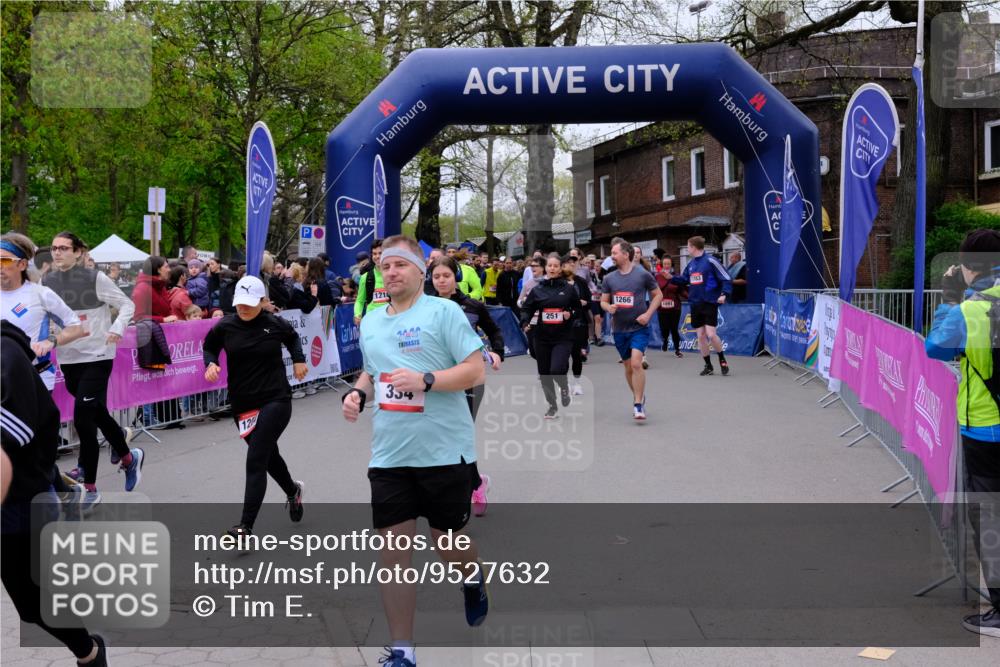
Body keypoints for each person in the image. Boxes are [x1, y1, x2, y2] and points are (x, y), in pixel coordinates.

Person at [341, 235, 489, 667]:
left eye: (400, 265)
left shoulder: (443, 311)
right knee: (393, 555)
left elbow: (476, 370)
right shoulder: (370, 319)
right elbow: (372, 370)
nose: (390, 272)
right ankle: (402, 651)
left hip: (444, 451)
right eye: (385, 266)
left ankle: (471, 577)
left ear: (420, 272)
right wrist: (356, 394)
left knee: (447, 542)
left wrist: (427, 380)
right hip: (389, 455)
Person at [1, 320, 109, 667]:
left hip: (22, 498)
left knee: (35, 605)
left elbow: (9, 439)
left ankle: (89, 652)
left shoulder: (6, 354)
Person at [924, 228, 1000, 638]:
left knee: (989, 516)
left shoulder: (970, 310)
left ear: (969, 267)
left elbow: (935, 347)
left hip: (987, 428)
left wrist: (952, 295)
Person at [42, 231, 142, 508]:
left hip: (98, 354)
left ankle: (90, 485)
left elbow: (127, 304)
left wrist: (116, 328)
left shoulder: (94, 277)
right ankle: (127, 455)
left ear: (78, 252)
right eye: (54, 248)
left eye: (64, 248)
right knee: (96, 412)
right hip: (69, 357)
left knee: (83, 418)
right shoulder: (47, 283)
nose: (58, 252)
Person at [203, 276, 308, 538]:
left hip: (275, 399)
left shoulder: (274, 323)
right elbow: (210, 346)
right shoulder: (225, 325)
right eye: (240, 303)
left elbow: (293, 338)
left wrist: (298, 359)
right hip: (242, 404)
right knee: (268, 457)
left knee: (256, 459)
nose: (243, 308)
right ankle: (293, 490)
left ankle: (245, 526)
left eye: (250, 303)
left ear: (262, 301)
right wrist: (210, 363)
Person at [430, 255, 504, 517]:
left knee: (458, 435)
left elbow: (494, 331)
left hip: (471, 378)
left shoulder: (472, 306)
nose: (441, 280)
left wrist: (497, 352)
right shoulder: (424, 307)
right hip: (439, 379)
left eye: (446, 276)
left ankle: (460, 493)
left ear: (456, 277)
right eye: (436, 276)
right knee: (444, 436)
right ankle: (475, 483)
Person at [1, 233, 86, 389]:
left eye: (5, 260)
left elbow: (76, 327)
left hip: (34, 380)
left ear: (22, 265)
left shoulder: (41, 294)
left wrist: (50, 342)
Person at [601, 238, 662, 420]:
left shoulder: (642, 275)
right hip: (619, 329)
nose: (611, 257)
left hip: (639, 327)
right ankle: (639, 396)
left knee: (636, 363)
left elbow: (658, 295)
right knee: (628, 367)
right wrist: (608, 307)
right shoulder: (609, 278)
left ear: (626, 255)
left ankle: (637, 404)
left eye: (614, 253)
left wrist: (648, 314)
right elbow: (603, 301)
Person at [520, 253, 584, 419]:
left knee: (556, 369)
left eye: (556, 266)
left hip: (563, 336)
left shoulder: (568, 289)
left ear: (560, 268)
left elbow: (578, 310)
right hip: (542, 336)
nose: (552, 268)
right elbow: (527, 308)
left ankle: (564, 387)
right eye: (550, 266)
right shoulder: (538, 290)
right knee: (544, 373)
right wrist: (525, 322)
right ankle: (552, 406)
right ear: (545, 268)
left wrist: (570, 313)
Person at [672, 236, 732, 376]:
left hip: (709, 302)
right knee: (700, 336)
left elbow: (726, 277)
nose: (687, 249)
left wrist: (724, 294)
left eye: (688, 246)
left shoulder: (710, 261)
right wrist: (670, 277)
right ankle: (708, 365)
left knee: (711, 334)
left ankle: (722, 359)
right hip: (695, 303)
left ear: (693, 247)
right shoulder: (691, 264)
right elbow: (683, 279)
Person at [562, 253, 591, 396]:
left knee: (576, 355)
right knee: (564, 355)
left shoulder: (581, 281)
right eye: (568, 263)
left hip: (579, 323)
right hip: (562, 324)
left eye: (574, 263)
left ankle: (577, 383)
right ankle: (565, 383)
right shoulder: (559, 282)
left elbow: (589, 300)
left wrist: (583, 303)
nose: (572, 265)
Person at [132, 256, 178, 324]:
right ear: (158, 270)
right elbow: (138, 318)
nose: (169, 270)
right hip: (151, 333)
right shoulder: (142, 288)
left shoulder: (160, 285)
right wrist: (162, 319)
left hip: (164, 330)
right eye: (166, 267)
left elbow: (167, 311)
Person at [655, 256, 686, 357]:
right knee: (664, 329)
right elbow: (654, 291)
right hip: (661, 307)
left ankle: (677, 350)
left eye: (668, 264)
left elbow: (682, 291)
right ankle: (665, 340)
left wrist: (692, 297)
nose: (667, 266)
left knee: (674, 329)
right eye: (665, 264)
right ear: (662, 265)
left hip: (675, 307)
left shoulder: (676, 277)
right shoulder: (657, 277)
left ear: (671, 265)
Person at [517, 257, 545, 359]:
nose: (533, 268)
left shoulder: (549, 282)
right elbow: (519, 302)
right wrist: (523, 301)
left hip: (545, 321)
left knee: (544, 350)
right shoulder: (528, 283)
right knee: (533, 351)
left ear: (542, 268)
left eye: (535, 266)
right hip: (531, 321)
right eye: (531, 266)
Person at [355, 239, 387, 325]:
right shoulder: (365, 277)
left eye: (380, 253)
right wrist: (357, 314)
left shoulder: (394, 276)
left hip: (391, 322)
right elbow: (360, 301)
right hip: (372, 323)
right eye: (374, 254)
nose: (377, 257)